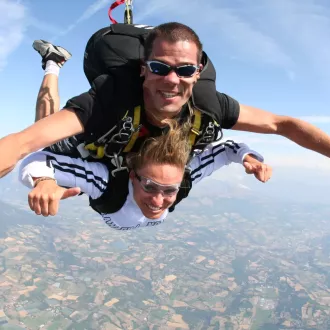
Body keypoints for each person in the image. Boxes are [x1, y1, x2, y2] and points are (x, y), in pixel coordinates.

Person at [1, 22, 330, 179]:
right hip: (104, 54)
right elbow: (24, 142)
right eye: (160, 68)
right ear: (143, 70)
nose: (172, 81)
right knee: (42, 137)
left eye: (184, 70)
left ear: (198, 73)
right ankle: (53, 64)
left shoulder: (208, 104)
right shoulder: (112, 99)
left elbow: (283, 124)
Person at [19, 122, 271, 230]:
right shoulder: (106, 182)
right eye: (150, 186)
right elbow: (34, 159)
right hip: (97, 172)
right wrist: (45, 180)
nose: (159, 200)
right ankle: (53, 65)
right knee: (46, 129)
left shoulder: (184, 178)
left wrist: (248, 157)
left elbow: (226, 150)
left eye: (169, 190)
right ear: (132, 176)